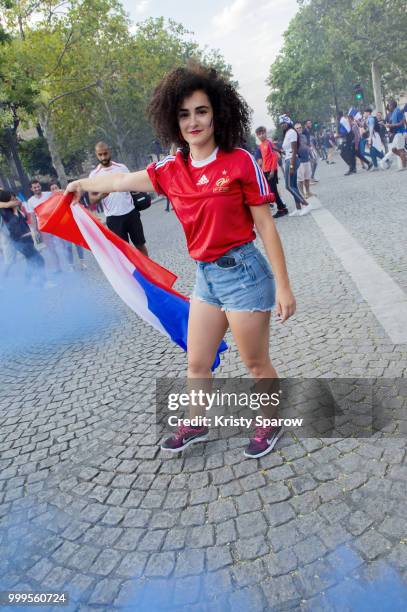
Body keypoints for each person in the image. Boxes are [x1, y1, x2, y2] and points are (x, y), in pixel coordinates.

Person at [65, 63, 296, 459]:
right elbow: (120, 181)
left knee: (256, 364)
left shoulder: (240, 161)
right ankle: (196, 420)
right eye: (184, 114)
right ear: (174, 120)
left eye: (201, 111)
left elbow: (266, 226)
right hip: (206, 277)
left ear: (217, 113)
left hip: (244, 274)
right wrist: (81, 185)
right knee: (197, 360)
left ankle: (270, 422)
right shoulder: (171, 170)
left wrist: (285, 285)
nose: (193, 121)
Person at [88, 142, 148, 255]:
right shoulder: (94, 175)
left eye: (105, 154)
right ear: (96, 155)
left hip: (131, 212)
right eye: (100, 155)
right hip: (113, 218)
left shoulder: (122, 168)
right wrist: (101, 195)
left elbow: (133, 185)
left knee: (140, 245)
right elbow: (92, 200)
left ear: (109, 151)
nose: (103, 157)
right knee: (124, 252)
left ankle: (149, 272)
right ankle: (131, 273)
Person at [0, 190, 48, 285]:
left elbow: (23, 220)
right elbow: (13, 227)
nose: (15, 199)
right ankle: (42, 283)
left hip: (27, 240)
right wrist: (13, 207)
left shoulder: (15, 209)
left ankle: (27, 282)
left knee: (31, 262)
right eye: (12, 197)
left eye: (14, 196)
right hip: (19, 241)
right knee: (39, 260)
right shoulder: (5, 212)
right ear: (6, 199)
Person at [26, 179, 62, 273]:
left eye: (38, 186)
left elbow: (59, 198)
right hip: (43, 227)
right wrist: (35, 229)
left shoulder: (48, 194)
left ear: (40, 186)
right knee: (51, 248)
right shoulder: (30, 201)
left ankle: (70, 263)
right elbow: (33, 217)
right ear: (31, 189)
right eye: (35, 187)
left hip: (55, 224)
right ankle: (58, 268)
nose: (37, 188)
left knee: (62, 245)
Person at [49, 180, 87, 270]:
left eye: (56, 188)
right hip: (63, 227)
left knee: (79, 244)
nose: (55, 190)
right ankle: (71, 265)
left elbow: (75, 203)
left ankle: (82, 262)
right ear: (50, 191)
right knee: (68, 247)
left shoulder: (66, 196)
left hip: (73, 224)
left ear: (59, 188)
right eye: (52, 189)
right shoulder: (51, 201)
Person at [279, 116, 309, 216]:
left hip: (291, 160)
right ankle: (298, 208)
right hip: (289, 159)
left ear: (288, 123)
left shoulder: (291, 132)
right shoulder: (288, 133)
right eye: (281, 123)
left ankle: (306, 204)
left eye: (284, 123)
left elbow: (294, 149)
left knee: (288, 186)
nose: (282, 125)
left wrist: (291, 166)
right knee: (293, 185)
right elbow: (288, 150)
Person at [255, 126, 288, 218]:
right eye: (259, 134)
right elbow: (264, 160)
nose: (262, 135)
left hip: (271, 170)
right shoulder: (261, 146)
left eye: (263, 133)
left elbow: (275, 156)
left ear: (266, 133)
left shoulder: (269, 143)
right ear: (257, 136)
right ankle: (282, 208)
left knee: (273, 191)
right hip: (266, 171)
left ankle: (282, 209)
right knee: (272, 191)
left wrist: (272, 171)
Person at [385, 99, 406, 170]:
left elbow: (402, 122)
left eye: (389, 105)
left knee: (400, 150)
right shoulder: (393, 112)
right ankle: (405, 160)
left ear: (392, 105)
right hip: (396, 133)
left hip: (400, 132)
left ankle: (404, 166)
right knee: (394, 150)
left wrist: (391, 125)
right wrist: (389, 125)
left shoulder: (398, 111)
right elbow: (393, 123)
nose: (388, 106)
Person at [294, 122, 314, 199]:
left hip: (306, 159)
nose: (299, 129)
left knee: (307, 177)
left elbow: (306, 146)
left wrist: (310, 152)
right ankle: (303, 194)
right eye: (297, 128)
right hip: (299, 161)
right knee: (300, 179)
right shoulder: (294, 138)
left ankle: (308, 192)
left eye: (300, 128)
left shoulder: (304, 136)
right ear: (295, 130)